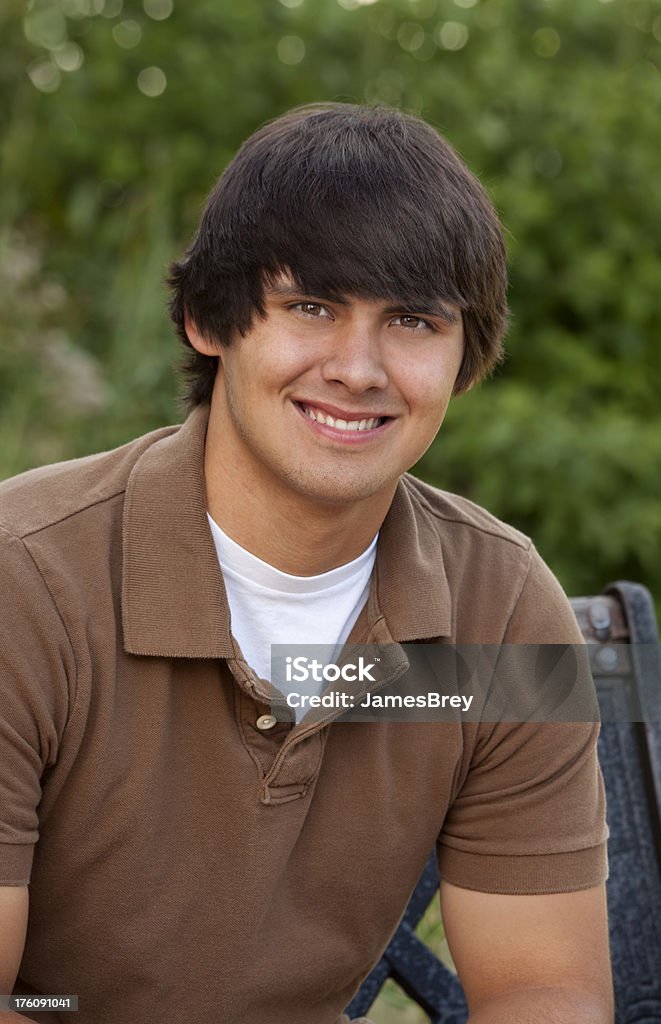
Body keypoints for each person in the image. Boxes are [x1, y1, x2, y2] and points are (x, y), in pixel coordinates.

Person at [0, 103, 612, 1024]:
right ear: (209, 318)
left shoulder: (500, 612)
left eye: (411, 321)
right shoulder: (26, 583)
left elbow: (544, 989)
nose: (358, 368)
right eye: (312, 307)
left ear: (463, 359)